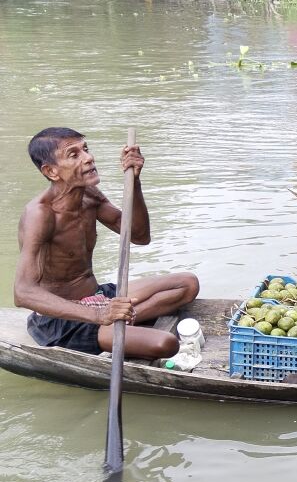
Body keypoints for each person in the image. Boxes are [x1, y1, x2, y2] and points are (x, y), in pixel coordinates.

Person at [15, 127, 199, 359]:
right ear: (51, 171)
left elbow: (139, 236)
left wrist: (135, 181)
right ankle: (112, 325)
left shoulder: (89, 195)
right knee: (166, 344)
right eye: (74, 155)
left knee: (187, 284)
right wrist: (99, 315)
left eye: (85, 149)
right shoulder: (40, 214)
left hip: (98, 295)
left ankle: (122, 319)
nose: (88, 158)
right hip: (64, 319)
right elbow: (23, 293)